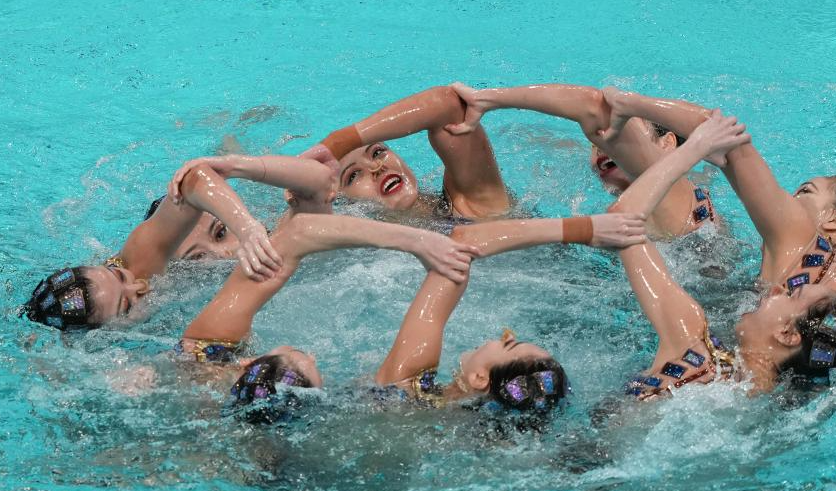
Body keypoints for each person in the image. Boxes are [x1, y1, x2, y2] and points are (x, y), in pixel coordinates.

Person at [165, 155, 482, 422]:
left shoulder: (202, 354)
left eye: (221, 231)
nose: (222, 252)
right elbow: (303, 227)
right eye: (199, 256)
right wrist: (418, 241)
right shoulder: (206, 347)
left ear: (247, 364)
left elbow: (315, 191)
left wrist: (245, 219)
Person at [607, 111, 836, 395]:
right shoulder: (773, 412)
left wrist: (693, 150)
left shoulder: (695, 352)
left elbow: (623, 220)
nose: (777, 289)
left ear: (787, 334)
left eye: (791, 295)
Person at [596, 87, 836, 303]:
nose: (788, 198)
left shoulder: (796, 240)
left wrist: (632, 103)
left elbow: (730, 142)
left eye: (805, 192)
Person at [374, 212, 648, 417]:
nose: (507, 334)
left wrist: (584, 229)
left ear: (480, 379)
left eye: (510, 344)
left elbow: (462, 244)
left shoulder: (403, 392)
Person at [22, 162, 284, 331]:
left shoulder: (139, 264)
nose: (139, 286)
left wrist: (246, 228)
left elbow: (194, 179)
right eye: (127, 305)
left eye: (119, 275)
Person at [443, 83, 713, 239]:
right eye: (594, 145)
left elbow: (592, 106)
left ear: (667, 143)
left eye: (623, 126)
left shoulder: (664, 185)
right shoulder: (682, 192)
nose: (601, 145)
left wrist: (486, 99)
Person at [297, 85, 511, 221]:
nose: (376, 167)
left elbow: (448, 104)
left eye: (377, 152)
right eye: (353, 176)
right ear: (342, 202)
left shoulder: (470, 204)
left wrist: (337, 143)